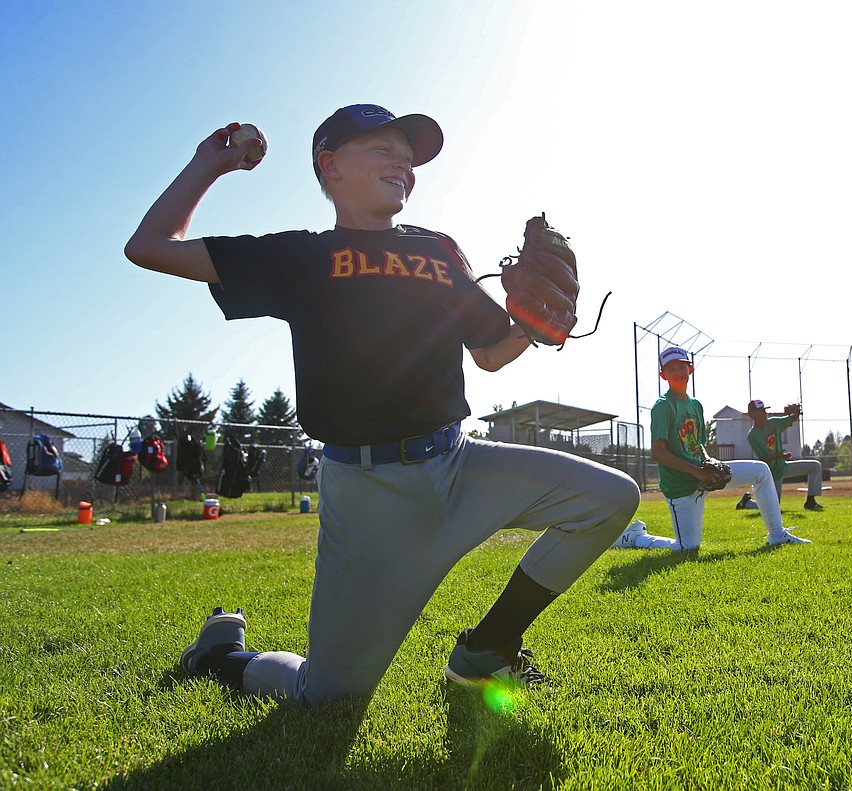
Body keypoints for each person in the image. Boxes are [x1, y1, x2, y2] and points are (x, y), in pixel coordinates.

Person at [125, 105, 640, 705]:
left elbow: (491, 354)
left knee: (609, 497)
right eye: (383, 149)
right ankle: (225, 654)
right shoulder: (301, 256)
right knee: (327, 698)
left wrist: (534, 324)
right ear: (331, 165)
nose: (403, 164)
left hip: (458, 465)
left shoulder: (439, 251)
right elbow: (151, 247)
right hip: (368, 492)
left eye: (409, 156)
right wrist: (206, 165)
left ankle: (487, 649)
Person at [613, 347, 810, 552]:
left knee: (761, 471)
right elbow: (658, 452)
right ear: (663, 375)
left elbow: (697, 444)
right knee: (687, 547)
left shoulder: (695, 405)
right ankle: (637, 537)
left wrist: (709, 462)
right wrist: (696, 471)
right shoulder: (663, 406)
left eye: (682, 366)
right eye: (671, 369)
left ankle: (777, 534)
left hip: (703, 474)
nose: (678, 372)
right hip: (681, 485)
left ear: (691, 369)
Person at [745, 399, 826, 511]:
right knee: (773, 507)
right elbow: (763, 459)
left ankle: (811, 502)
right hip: (771, 474)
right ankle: (747, 502)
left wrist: (795, 412)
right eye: (760, 411)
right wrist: (779, 455)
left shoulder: (772, 423)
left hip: (783, 466)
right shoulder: (752, 435)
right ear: (752, 414)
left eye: (764, 410)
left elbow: (791, 418)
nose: (764, 413)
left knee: (815, 466)